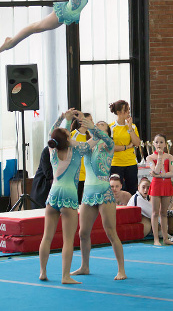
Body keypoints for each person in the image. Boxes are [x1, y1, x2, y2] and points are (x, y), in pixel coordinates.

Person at [39, 109, 104, 284]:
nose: (70, 133)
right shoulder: (77, 151)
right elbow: (96, 139)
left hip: (53, 194)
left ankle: (43, 272)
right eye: (69, 133)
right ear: (68, 139)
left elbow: (54, 131)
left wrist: (63, 117)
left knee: (47, 236)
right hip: (68, 195)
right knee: (68, 239)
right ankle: (65, 276)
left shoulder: (52, 150)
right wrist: (91, 126)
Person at [71, 117, 127, 280]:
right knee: (83, 233)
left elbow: (106, 139)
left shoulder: (108, 145)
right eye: (97, 126)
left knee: (110, 231)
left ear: (107, 132)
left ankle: (121, 269)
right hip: (88, 193)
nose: (98, 127)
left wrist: (93, 129)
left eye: (102, 126)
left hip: (104, 191)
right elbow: (72, 144)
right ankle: (85, 266)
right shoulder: (88, 146)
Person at [146, 134, 173, 246]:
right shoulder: (150, 158)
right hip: (156, 186)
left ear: (165, 144)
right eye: (157, 142)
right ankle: (156, 239)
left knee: (164, 213)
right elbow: (156, 170)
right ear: (153, 144)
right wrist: (159, 157)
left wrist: (159, 175)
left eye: (161, 142)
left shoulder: (170, 157)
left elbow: (171, 173)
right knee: (155, 213)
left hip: (166, 185)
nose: (159, 144)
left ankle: (165, 238)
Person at [109, 100, 140, 195]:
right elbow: (111, 147)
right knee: (116, 190)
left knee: (132, 190)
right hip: (116, 163)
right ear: (118, 112)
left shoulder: (133, 126)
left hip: (131, 162)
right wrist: (127, 147)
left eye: (129, 109)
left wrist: (130, 128)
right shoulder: (111, 127)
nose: (128, 112)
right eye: (125, 110)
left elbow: (137, 143)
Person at [70, 113, 93, 204]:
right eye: (90, 120)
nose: (92, 122)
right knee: (76, 201)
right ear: (82, 122)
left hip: (88, 175)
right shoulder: (73, 135)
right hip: (76, 175)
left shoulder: (90, 136)